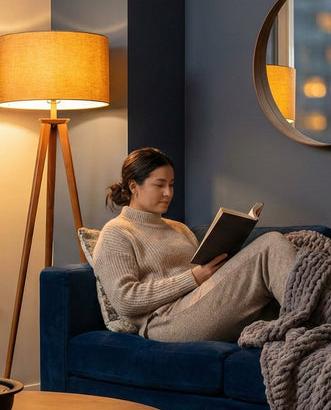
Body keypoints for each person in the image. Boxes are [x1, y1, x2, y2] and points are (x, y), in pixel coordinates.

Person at [91, 147, 296, 343]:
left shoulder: (179, 228)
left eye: (171, 184)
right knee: (271, 243)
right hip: (166, 321)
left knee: (294, 257)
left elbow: (204, 277)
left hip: (200, 302)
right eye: (159, 185)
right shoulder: (116, 232)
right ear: (133, 186)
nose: (168, 193)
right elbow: (125, 300)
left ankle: (309, 325)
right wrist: (195, 277)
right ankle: (308, 319)